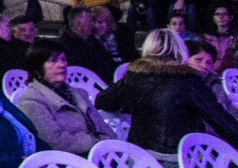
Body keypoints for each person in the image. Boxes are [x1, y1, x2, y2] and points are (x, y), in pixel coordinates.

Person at [98, 29, 238, 158]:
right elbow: (221, 120)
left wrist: (132, 104)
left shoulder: (134, 76)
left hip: (139, 156)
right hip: (178, 159)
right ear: (180, 50)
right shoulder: (189, 80)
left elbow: (102, 100)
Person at [15, 42, 111, 156]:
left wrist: (112, 144)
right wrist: (97, 142)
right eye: (53, 60)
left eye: (63, 59)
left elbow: (103, 127)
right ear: (37, 66)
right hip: (67, 162)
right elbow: (55, 142)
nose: (62, 65)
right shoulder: (32, 100)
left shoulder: (79, 94)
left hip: (100, 152)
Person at [58, 6, 118, 83]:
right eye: (90, 21)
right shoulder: (66, 45)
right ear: (79, 24)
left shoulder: (92, 40)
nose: (93, 25)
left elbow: (108, 61)